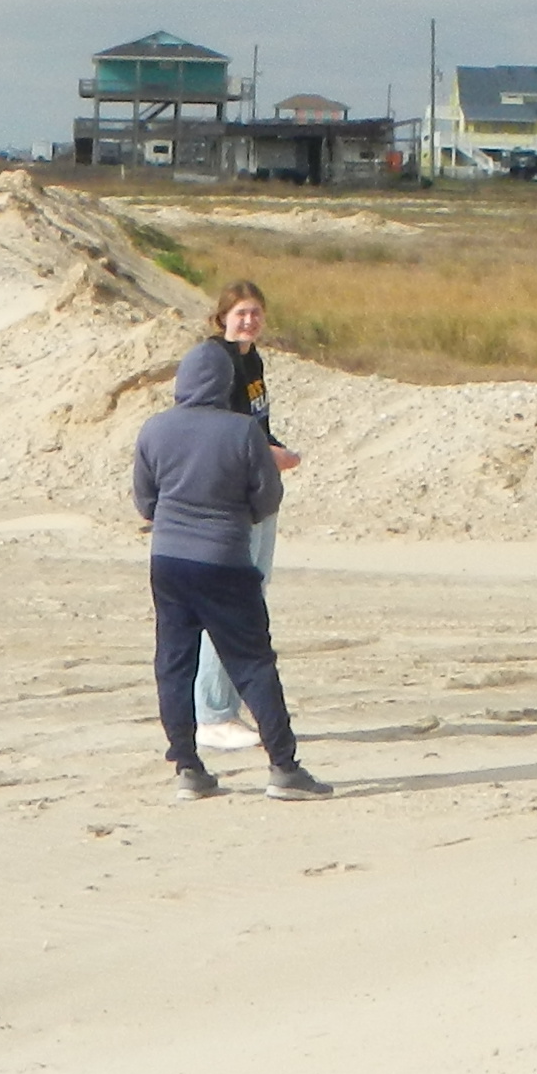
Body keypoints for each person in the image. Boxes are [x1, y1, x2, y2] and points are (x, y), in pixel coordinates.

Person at [130, 313, 327, 800]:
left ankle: (188, 769)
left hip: (169, 561)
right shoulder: (242, 432)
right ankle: (284, 767)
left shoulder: (155, 429)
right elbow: (268, 498)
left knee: (174, 664)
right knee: (254, 661)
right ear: (222, 383)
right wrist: (238, 514)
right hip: (223, 558)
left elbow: (145, 500)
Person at [192, 283, 282, 745]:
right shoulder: (216, 361)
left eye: (256, 313)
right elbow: (219, 432)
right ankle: (212, 712)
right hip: (231, 498)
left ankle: (225, 705)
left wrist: (275, 450)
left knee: (252, 599)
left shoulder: (252, 360)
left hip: (257, 493)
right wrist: (266, 456)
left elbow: (257, 423)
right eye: (241, 313)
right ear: (223, 316)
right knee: (230, 606)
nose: (249, 321)